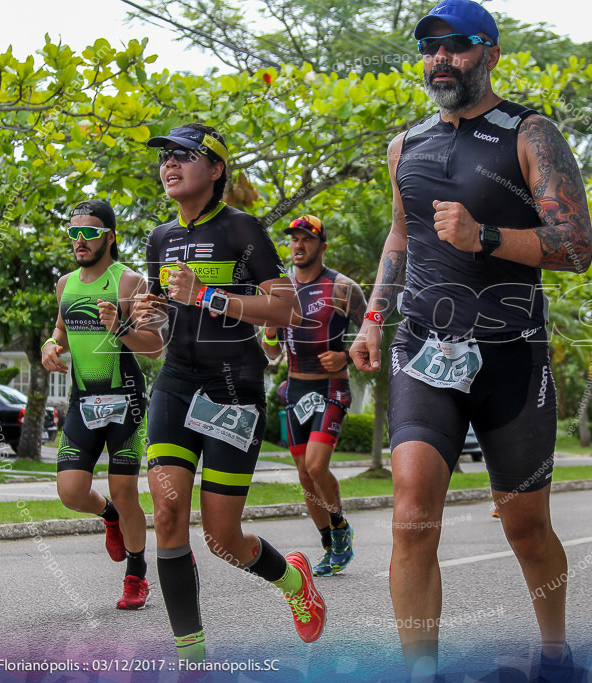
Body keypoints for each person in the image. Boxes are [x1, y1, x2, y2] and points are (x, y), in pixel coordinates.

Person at [350, 1, 592, 678]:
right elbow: (402, 234)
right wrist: (374, 315)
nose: (439, 59)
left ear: (488, 51)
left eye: (454, 45)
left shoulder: (530, 133)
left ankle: (554, 652)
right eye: (428, 47)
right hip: (424, 346)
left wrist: (485, 236)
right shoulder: (405, 145)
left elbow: (575, 246)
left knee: (525, 529)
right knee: (411, 514)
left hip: (512, 351)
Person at [133, 123, 325, 662]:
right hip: (175, 382)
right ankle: (191, 658)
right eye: (165, 157)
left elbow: (288, 308)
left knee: (222, 538)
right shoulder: (159, 239)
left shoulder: (243, 231)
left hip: (233, 388)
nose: (169, 164)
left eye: (184, 156)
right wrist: (133, 323)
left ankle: (292, 580)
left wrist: (212, 295)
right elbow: (157, 335)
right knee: (167, 516)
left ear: (216, 170)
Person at [41, 199, 162, 610]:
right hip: (83, 401)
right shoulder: (64, 284)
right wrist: (49, 345)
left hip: (126, 401)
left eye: (89, 232)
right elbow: (60, 328)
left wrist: (120, 326)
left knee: (124, 488)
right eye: (73, 231)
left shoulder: (128, 282)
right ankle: (108, 515)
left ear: (110, 236)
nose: (79, 239)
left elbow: (154, 347)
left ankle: (136, 575)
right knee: (71, 491)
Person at [261, 214, 366, 577]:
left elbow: (372, 336)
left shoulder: (344, 288)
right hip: (295, 389)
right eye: (294, 239)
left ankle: (340, 528)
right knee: (305, 478)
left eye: (307, 239)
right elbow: (271, 352)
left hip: (331, 386)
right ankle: (328, 544)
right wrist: (271, 333)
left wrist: (346, 354)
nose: (299, 245)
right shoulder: (281, 291)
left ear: (322, 245)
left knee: (317, 466)